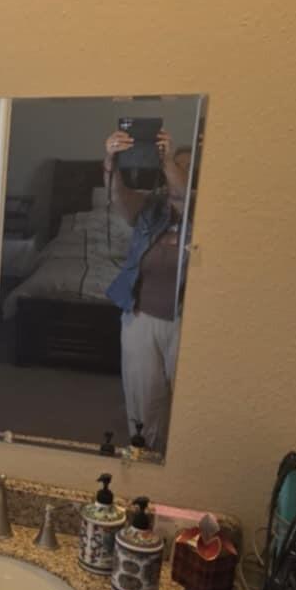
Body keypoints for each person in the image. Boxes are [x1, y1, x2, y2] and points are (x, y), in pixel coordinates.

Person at [103, 125, 193, 451]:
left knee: (187, 404)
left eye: (185, 168)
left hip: (186, 321)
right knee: (142, 402)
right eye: (173, 165)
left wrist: (169, 161)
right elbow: (117, 199)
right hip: (141, 314)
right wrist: (111, 161)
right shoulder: (151, 207)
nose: (175, 172)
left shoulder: (208, 213)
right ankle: (143, 460)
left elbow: (185, 197)